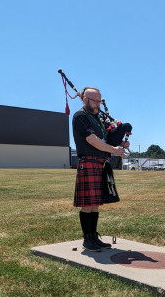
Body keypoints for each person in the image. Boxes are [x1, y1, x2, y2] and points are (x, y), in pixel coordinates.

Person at [72, 87, 129, 252]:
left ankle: (94, 237)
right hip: (88, 161)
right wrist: (114, 150)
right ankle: (87, 238)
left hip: (100, 163)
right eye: (95, 101)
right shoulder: (80, 117)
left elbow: (105, 139)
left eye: (99, 101)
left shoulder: (98, 119)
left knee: (95, 203)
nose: (98, 105)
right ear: (85, 99)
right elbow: (93, 140)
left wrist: (121, 144)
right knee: (87, 204)